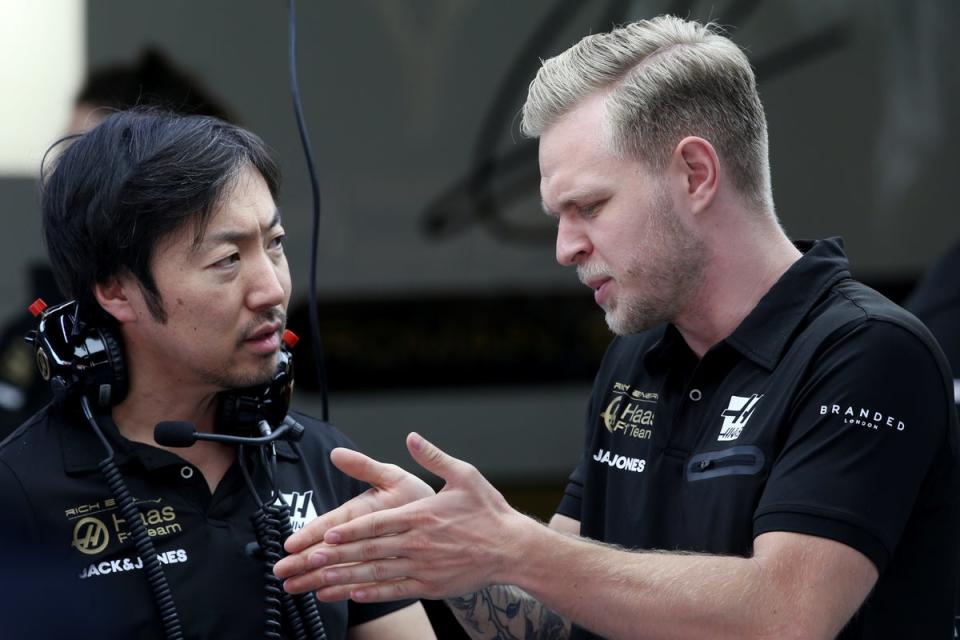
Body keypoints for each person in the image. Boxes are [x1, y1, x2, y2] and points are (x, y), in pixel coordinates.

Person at [273, 15, 960, 639]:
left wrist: (513, 546)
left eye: (590, 206)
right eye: (558, 216)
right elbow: (558, 617)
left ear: (696, 173)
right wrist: (448, 551)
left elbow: (784, 616)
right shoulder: (636, 358)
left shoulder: (868, 350)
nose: (564, 247)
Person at [0, 110, 435, 639]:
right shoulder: (20, 491)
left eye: (274, 244)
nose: (272, 289)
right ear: (116, 290)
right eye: (227, 260)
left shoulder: (327, 462)